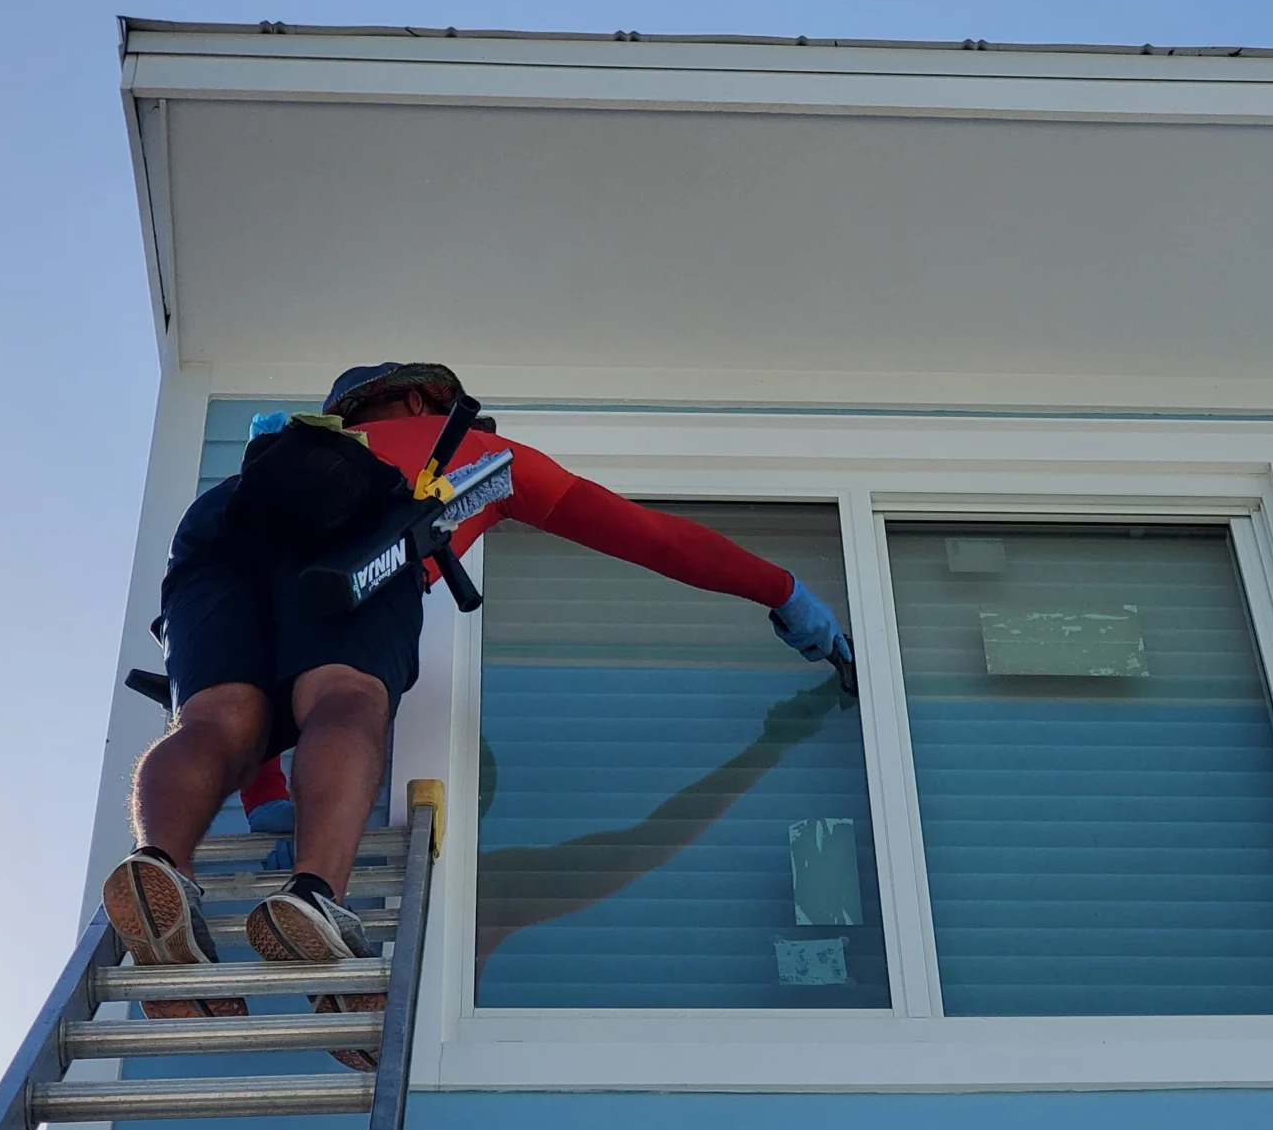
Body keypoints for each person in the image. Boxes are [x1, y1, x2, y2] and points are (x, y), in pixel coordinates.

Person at [101, 361, 852, 1060]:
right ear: (425, 400)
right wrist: (780, 589)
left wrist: (269, 800)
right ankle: (315, 897)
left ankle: (159, 861)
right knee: (345, 695)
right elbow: (655, 539)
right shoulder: (471, 456)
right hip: (363, 517)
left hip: (212, 533)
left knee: (215, 719)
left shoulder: (271, 469)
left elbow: (258, 668)